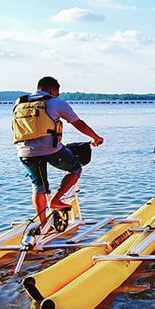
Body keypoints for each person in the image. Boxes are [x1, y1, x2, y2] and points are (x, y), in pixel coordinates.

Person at [13, 76, 104, 224]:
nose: (58, 94)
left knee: (38, 186)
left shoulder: (19, 102)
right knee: (75, 167)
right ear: (53, 89)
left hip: (24, 151)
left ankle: (43, 224)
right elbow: (78, 123)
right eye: (58, 91)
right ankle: (56, 200)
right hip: (49, 149)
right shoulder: (55, 102)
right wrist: (96, 137)